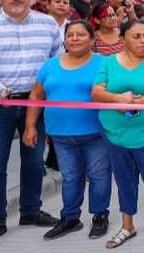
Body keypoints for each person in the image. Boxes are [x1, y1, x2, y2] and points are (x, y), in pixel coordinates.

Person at [0, 0, 63, 248]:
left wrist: (48, 91)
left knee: (34, 160)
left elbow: (56, 60)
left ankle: (30, 211)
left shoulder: (47, 24)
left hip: (35, 102)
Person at [22, 20, 110, 240]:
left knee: (99, 176)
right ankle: (70, 218)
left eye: (81, 35)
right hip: (60, 135)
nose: (75, 38)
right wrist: (30, 126)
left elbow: (116, 92)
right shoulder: (51, 65)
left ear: (92, 39)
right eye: (70, 35)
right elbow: (37, 95)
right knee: (71, 178)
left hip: (95, 133)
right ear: (64, 40)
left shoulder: (105, 64)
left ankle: (99, 216)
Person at [92, 20, 144, 249]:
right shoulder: (109, 62)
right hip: (115, 131)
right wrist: (119, 100)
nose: (142, 41)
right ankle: (127, 224)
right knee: (123, 178)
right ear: (124, 38)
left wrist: (136, 103)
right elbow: (97, 91)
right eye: (136, 36)